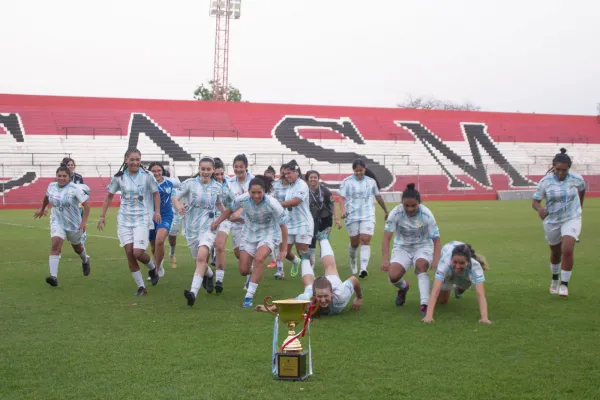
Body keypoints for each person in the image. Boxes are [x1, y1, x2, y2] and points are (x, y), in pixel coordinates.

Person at [211, 175, 288, 308]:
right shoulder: (243, 199)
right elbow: (229, 209)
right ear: (248, 192)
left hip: (268, 233)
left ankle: (249, 296)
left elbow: (283, 226)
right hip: (248, 233)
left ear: (264, 191)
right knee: (243, 270)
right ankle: (255, 272)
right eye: (253, 192)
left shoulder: (272, 203)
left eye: (259, 192)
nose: (256, 196)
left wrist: (284, 249)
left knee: (259, 259)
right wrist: (217, 222)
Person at [97, 148, 161, 296]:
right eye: (132, 159)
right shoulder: (119, 177)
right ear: (126, 160)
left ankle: (152, 268)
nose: (135, 162)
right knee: (129, 254)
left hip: (141, 218)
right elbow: (109, 196)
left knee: (137, 252)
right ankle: (141, 287)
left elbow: (155, 193)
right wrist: (102, 216)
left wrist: (156, 211)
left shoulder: (147, 175)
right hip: (124, 220)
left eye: (137, 159)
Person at [256, 230, 363, 315]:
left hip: (332, 284)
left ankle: (322, 240)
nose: (323, 300)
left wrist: (359, 298)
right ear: (314, 295)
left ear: (332, 294)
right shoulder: (308, 299)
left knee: (330, 268)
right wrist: (269, 308)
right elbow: (292, 301)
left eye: (326, 296)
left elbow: (353, 280)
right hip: (313, 290)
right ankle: (306, 258)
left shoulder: (341, 295)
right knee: (308, 285)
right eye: (319, 297)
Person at [173, 157, 230, 306]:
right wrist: (179, 206)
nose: (205, 172)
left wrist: (222, 220)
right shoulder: (189, 184)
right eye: (202, 169)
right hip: (191, 229)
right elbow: (176, 198)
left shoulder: (218, 187)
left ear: (213, 170)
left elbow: (221, 207)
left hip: (208, 228)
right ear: (199, 169)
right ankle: (209, 275)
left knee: (201, 257)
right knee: (200, 261)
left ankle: (193, 293)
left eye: (208, 169)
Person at [532, 148, 585, 297]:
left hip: (571, 218)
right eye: (558, 169)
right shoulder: (545, 182)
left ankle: (564, 284)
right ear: (554, 166)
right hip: (552, 220)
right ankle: (555, 279)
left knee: (567, 249)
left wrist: (580, 207)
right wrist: (540, 210)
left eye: (565, 170)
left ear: (569, 167)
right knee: (555, 253)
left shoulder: (576, 179)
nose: (561, 173)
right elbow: (535, 201)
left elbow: (582, 189)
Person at [382, 183, 441, 317]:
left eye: (413, 205)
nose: (410, 208)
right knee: (393, 276)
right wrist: (385, 259)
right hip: (402, 247)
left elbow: (436, 240)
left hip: (423, 247)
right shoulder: (395, 213)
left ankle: (424, 304)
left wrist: (436, 260)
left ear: (419, 203)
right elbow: (386, 238)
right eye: (406, 205)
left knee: (421, 266)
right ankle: (403, 288)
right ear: (402, 203)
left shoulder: (426, 215)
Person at [34, 165, 91, 287]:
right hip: (57, 220)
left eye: (64, 176)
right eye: (59, 176)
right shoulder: (51, 186)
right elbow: (46, 198)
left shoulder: (74, 188)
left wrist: (83, 222)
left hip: (73, 222)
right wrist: (42, 209)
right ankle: (53, 277)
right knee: (56, 244)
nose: (61, 178)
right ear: (56, 176)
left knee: (77, 248)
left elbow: (86, 206)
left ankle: (85, 260)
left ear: (69, 177)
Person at [338, 159, 389, 278]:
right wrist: (343, 210)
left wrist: (386, 210)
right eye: (356, 171)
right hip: (352, 215)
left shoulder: (371, 182)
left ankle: (363, 268)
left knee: (365, 239)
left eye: (360, 170)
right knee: (354, 243)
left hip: (368, 214)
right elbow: (341, 198)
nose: (358, 173)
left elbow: (378, 197)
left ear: (365, 169)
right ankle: (353, 260)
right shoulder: (347, 182)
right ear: (353, 170)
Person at [422, 241, 491, 324]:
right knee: (442, 301)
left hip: (462, 270)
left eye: (462, 263)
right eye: (455, 262)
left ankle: (457, 289)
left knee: (465, 284)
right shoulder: (444, 263)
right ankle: (449, 280)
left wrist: (484, 318)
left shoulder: (475, 266)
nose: (458, 266)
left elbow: (480, 294)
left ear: (468, 261)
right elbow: (435, 290)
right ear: (451, 259)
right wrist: (428, 316)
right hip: (448, 269)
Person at [280, 160, 315, 282]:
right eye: (285, 174)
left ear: (296, 172)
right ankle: (296, 262)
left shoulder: (302, 185)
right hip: (290, 224)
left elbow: (296, 201)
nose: (287, 176)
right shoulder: (290, 186)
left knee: (303, 251)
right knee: (284, 250)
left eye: (289, 173)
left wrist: (279, 204)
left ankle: (310, 274)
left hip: (303, 223)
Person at [147, 162, 180, 280]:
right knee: (153, 246)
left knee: (159, 240)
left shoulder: (170, 182)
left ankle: (156, 268)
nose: (156, 173)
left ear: (162, 171)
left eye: (159, 170)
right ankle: (159, 265)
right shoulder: (146, 182)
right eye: (154, 171)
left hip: (165, 216)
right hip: (150, 217)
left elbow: (180, 189)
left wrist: (179, 205)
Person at [305, 170, 342, 264]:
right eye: (311, 177)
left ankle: (325, 260)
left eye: (315, 177)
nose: (313, 179)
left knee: (324, 241)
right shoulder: (304, 190)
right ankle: (311, 263)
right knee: (311, 241)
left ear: (318, 179)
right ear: (308, 179)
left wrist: (337, 219)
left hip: (326, 219)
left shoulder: (325, 191)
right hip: (311, 220)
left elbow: (333, 204)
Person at [210, 157, 234, 293]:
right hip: (206, 220)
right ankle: (207, 274)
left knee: (219, 246)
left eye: (221, 174)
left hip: (223, 218)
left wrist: (234, 214)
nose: (219, 177)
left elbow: (234, 203)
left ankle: (219, 280)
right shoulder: (204, 183)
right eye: (216, 174)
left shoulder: (228, 184)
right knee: (204, 251)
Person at [270, 164, 290, 279]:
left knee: (293, 248)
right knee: (278, 243)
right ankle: (280, 269)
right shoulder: (275, 185)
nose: (284, 174)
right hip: (279, 218)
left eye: (286, 172)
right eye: (282, 172)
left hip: (293, 218)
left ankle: (297, 261)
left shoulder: (294, 186)